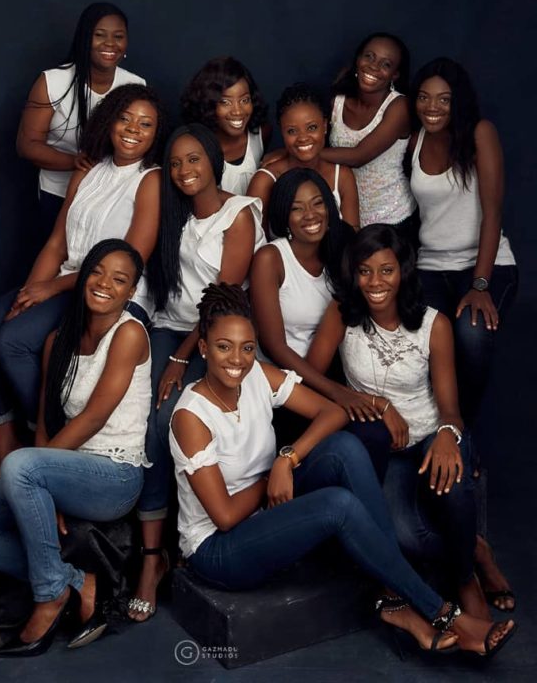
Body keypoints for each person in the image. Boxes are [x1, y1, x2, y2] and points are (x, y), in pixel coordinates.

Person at [169, 282, 515, 658]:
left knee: (344, 449)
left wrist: (288, 458)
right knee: (337, 505)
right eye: (223, 347)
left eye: (247, 347)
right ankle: (446, 615)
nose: (237, 359)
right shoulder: (191, 416)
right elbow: (224, 516)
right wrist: (273, 475)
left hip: (266, 507)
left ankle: (394, 598)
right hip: (219, 549)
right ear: (203, 347)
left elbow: (332, 412)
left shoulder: (257, 376)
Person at [0, 240, 152, 656]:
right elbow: (45, 421)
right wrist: (44, 474)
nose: (104, 283)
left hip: (115, 476)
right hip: (63, 466)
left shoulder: (129, 334)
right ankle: (74, 582)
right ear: (83, 275)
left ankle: (49, 598)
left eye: (119, 279)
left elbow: (94, 417)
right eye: (97, 272)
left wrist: (42, 473)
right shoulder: (58, 340)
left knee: (20, 465)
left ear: (131, 292)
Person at [307, 224, 515, 618]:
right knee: (407, 538)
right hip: (390, 451)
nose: (375, 282)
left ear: (402, 271)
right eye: (365, 271)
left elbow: (450, 408)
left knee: (454, 487)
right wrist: (371, 402)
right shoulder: (341, 314)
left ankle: (466, 579)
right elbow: (312, 378)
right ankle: (473, 547)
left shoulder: (434, 324)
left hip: (433, 435)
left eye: (386, 270)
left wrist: (447, 435)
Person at [0, 84, 165, 466]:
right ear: (109, 121)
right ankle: (7, 439)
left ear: (156, 134)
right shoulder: (87, 172)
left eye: (145, 124)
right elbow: (57, 244)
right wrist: (29, 294)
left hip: (108, 289)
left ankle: (45, 431)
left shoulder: (150, 180)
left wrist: (50, 288)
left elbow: (133, 259)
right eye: (125, 119)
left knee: (11, 342)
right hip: (65, 281)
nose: (132, 130)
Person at [128, 123, 265, 622]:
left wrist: (184, 356)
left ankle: (175, 545)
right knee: (143, 421)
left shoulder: (239, 214)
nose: (185, 171)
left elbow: (221, 299)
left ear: (213, 160)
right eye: (176, 163)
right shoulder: (173, 211)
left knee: (168, 420)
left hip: (211, 336)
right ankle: (152, 552)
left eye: (194, 160)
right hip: (169, 328)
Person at [250, 168, 389, 474]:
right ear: (284, 216)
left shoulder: (339, 251)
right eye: (297, 208)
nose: (310, 215)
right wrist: (337, 392)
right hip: (286, 387)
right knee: (340, 448)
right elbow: (274, 346)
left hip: (329, 372)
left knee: (375, 434)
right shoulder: (270, 259)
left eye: (317, 204)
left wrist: (366, 396)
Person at [408, 58, 517, 428]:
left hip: (485, 264)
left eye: (444, 99)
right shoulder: (415, 140)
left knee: (471, 334)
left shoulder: (479, 133)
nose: (432, 107)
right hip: (430, 268)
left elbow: (493, 213)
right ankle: (429, 430)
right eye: (424, 97)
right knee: (418, 339)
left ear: (459, 102)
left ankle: (459, 432)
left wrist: (480, 284)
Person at [16, 2, 145, 231]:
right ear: (84, 38)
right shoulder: (53, 82)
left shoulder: (135, 85)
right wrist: (74, 162)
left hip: (112, 195)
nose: (110, 43)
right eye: (99, 35)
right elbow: (27, 145)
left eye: (118, 36)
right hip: (58, 193)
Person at [323, 33, 416, 236]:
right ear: (358, 59)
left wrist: (296, 153)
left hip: (392, 220)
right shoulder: (337, 101)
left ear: (395, 75)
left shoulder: (399, 107)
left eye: (386, 64)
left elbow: (358, 156)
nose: (374, 66)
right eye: (369, 56)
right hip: (347, 219)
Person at [248, 83, 359, 233]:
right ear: (282, 132)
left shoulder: (342, 176)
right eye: (292, 131)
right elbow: (254, 240)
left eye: (312, 127)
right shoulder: (265, 181)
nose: (303, 138)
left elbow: (353, 237)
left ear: (325, 126)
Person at [181, 56, 271, 195]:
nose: (237, 111)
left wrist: (282, 154)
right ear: (208, 104)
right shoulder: (196, 148)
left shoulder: (262, 133)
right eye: (225, 102)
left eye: (244, 100)